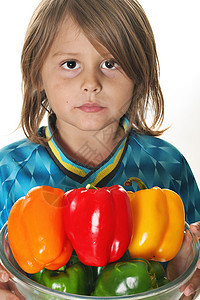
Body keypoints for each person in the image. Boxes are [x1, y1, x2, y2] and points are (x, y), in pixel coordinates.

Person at [0, 0, 199, 299]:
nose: (91, 83)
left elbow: (186, 263)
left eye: (110, 63)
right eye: (70, 64)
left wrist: (188, 272)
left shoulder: (167, 165)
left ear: (139, 75)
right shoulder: (8, 172)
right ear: (37, 74)